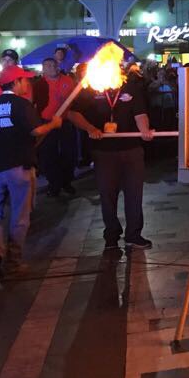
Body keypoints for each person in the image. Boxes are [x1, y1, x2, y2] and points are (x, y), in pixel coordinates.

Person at [0, 65, 62, 280]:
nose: (27, 84)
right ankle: (14, 262)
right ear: (15, 82)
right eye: (24, 80)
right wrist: (53, 124)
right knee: (20, 215)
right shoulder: (21, 104)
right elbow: (35, 130)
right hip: (18, 167)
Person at [67, 57, 154, 252]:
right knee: (107, 195)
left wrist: (145, 130)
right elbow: (72, 113)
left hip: (131, 149)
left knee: (134, 194)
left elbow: (140, 113)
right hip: (103, 151)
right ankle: (111, 236)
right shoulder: (91, 87)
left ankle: (133, 235)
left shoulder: (131, 87)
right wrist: (90, 128)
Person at [32, 57, 78, 196]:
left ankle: (67, 182)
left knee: (69, 153)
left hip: (65, 122)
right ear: (43, 68)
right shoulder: (38, 85)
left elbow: (74, 99)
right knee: (48, 154)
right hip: (46, 123)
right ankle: (54, 184)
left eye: (54, 65)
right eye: (48, 66)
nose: (52, 68)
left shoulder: (67, 81)